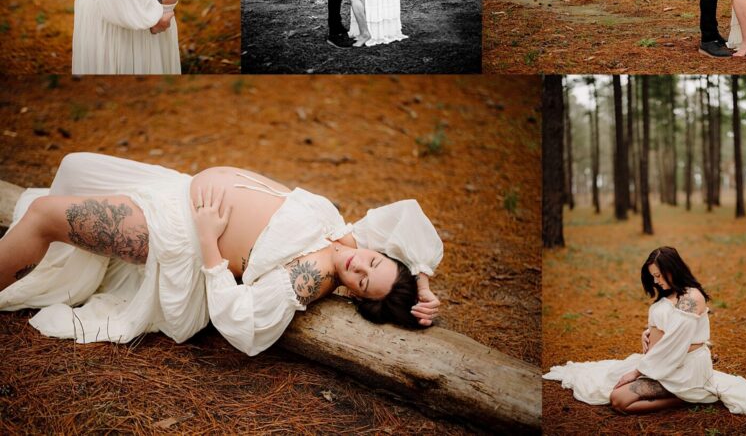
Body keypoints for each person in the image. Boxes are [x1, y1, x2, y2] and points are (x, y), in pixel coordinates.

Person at [0, 153, 443, 357]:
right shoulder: (349, 240)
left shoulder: (315, 274)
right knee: (75, 167)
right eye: (377, 261)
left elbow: (242, 324)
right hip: (173, 190)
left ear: (355, 295)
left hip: (176, 235)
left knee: (42, 215)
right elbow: (407, 217)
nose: (361, 266)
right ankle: (35, 251)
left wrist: (209, 240)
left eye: (364, 280)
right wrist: (419, 280)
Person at [543, 246, 746, 416]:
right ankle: (683, 394)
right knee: (608, 381)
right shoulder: (669, 298)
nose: (656, 281)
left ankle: (684, 398)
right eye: (653, 276)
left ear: (674, 269)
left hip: (684, 367)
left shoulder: (691, 298)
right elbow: (671, 329)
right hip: (661, 363)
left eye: (660, 275)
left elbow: (676, 340)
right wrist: (648, 333)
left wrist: (636, 371)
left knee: (618, 400)